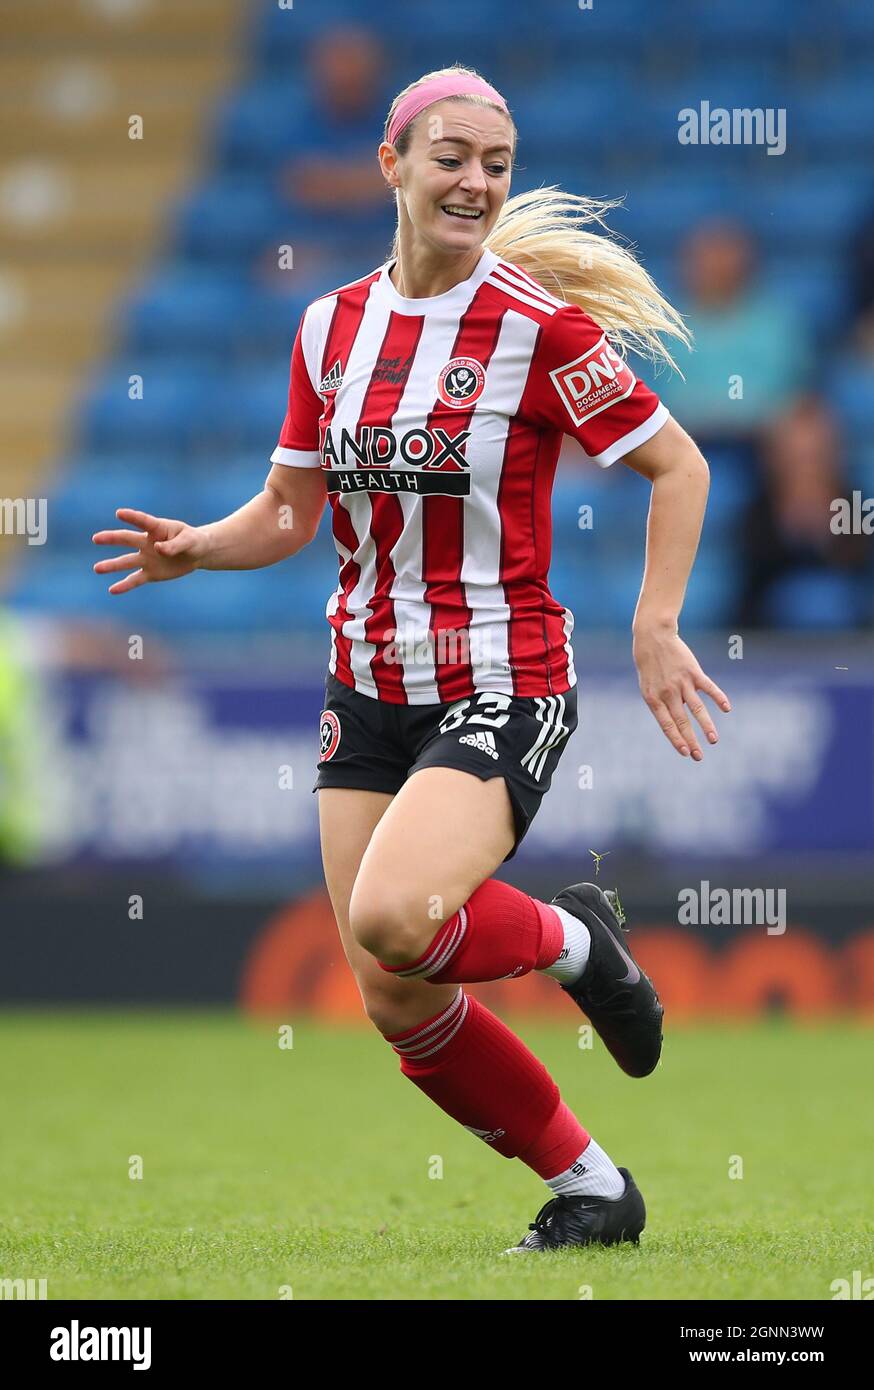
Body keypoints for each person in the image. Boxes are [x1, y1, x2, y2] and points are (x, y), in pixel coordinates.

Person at [93, 64, 731, 1254]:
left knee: (395, 914)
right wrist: (199, 547)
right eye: (450, 157)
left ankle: (575, 941)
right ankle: (596, 1187)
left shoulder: (538, 330)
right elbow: (290, 511)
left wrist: (655, 623)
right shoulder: (329, 325)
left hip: (503, 679)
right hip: (366, 686)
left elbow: (679, 466)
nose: (475, 182)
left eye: (495, 163)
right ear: (391, 165)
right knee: (396, 990)